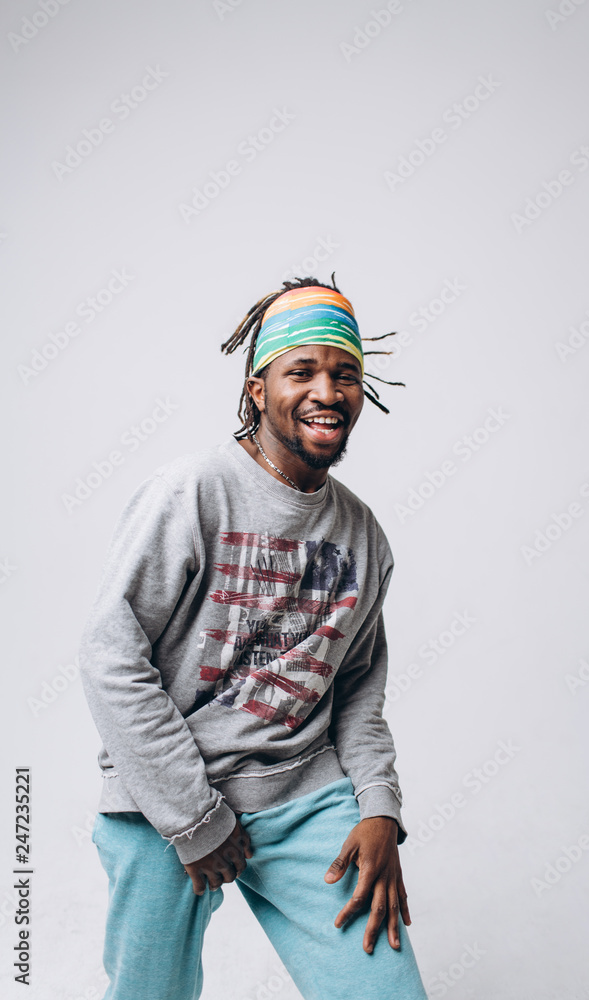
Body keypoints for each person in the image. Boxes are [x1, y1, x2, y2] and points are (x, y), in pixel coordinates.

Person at [79, 276, 428, 1000]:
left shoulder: (364, 537)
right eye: (300, 371)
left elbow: (358, 694)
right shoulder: (193, 491)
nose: (325, 391)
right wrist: (194, 818)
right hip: (164, 799)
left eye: (344, 373)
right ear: (256, 388)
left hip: (302, 793)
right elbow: (111, 656)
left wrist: (378, 810)